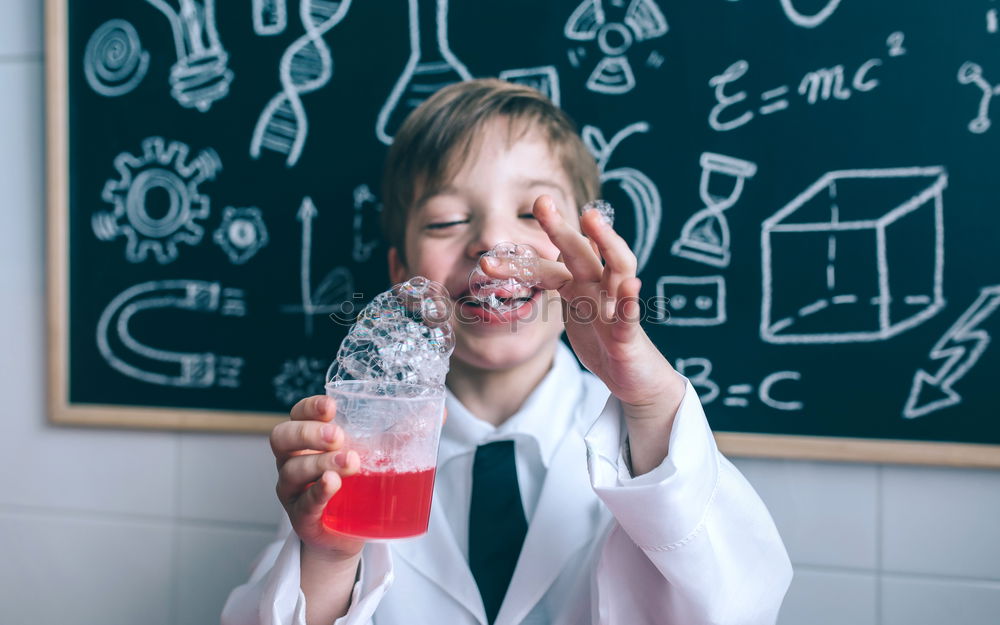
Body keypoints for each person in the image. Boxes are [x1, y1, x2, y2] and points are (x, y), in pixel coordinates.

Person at [222, 79, 792, 625]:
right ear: (402, 275)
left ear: (585, 248)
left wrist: (649, 399)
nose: (493, 246)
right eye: (447, 220)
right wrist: (329, 558)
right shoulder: (357, 448)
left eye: (530, 213)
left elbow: (740, 608)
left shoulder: (652, 438)